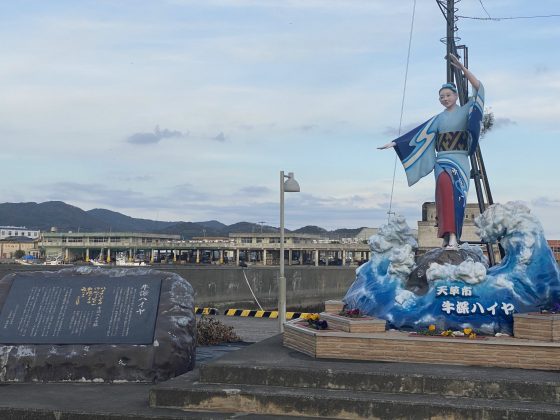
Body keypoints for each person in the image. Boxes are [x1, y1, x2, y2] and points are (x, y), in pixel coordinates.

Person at [379, 54, 484, 248]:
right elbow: (418, 135)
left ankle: (454, 236)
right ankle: (446, 235)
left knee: (456, 197)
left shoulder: (466, 110)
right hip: (441, 162)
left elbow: (480, 89)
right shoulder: (438, 119)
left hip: (459, 161)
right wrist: (395, 143)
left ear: (456, 96)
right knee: (443, 196)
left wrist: (462, 69)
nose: (445, 99)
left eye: (448, 95)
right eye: (441, 97)